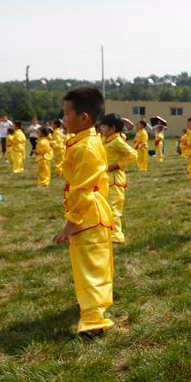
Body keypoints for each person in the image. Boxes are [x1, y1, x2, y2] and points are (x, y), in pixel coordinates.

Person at [52, 86, 114, 338]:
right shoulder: (82, 141)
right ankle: (91, 309)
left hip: (88, 217)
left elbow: (82, 190)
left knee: (92, 270)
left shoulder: (86, 146)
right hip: (88, 216)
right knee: (89, 267)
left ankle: (93, 322)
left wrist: (71, 223)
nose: (64, 118)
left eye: (67, 114)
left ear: (84, 117)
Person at [99, 113, 138, 245]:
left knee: (113, 210)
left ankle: (116, 238)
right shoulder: (106, 139)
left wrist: (117, 165)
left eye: (104, 126)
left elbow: (133, 155)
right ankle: (106, 233)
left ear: (112, 128)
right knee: (104, 208)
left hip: (115, 180)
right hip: (104, 179)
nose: (101, 128)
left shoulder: (117, 141)